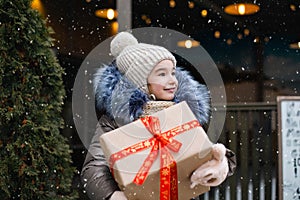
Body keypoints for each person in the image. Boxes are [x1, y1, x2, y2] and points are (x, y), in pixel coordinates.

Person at [81, 31, 236, 200]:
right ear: (141, 82)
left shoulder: (183, 113)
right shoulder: (114, 122)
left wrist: (221, 163)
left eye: (173, 72)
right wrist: (114, 196)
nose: (172, 80)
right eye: (162, 74)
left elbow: (201, 149)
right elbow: (93, 168)